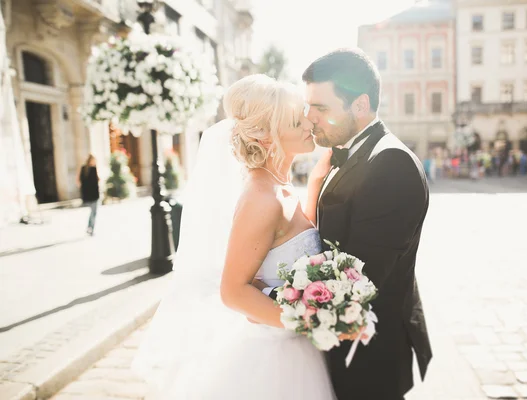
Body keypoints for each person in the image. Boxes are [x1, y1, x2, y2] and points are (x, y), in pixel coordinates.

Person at [132, 75, 336, 399]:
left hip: (296, 348)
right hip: (276, 359)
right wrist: (307, 322)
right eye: (296, 120)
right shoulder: (261, 200)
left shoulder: (280, 187)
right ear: (267, 136)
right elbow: (233, 291)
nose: (308, 122)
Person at [300, 48, 432, 400]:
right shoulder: (344, 154)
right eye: (308, 105)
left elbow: (359, 280)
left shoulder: (390, 163)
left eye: (321, 107)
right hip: (344, 347)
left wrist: (279, 301)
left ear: (359, 105)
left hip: (368, 357)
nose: (308, 117)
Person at [77, 154, 100, 236]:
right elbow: (97, 180)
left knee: (92, 212)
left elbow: (79, 181)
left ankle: (89, 228)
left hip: (87, 195)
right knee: (94, 213)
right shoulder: (93, 169)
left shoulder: (83, 168)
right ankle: (91, 228)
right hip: (94, 195)